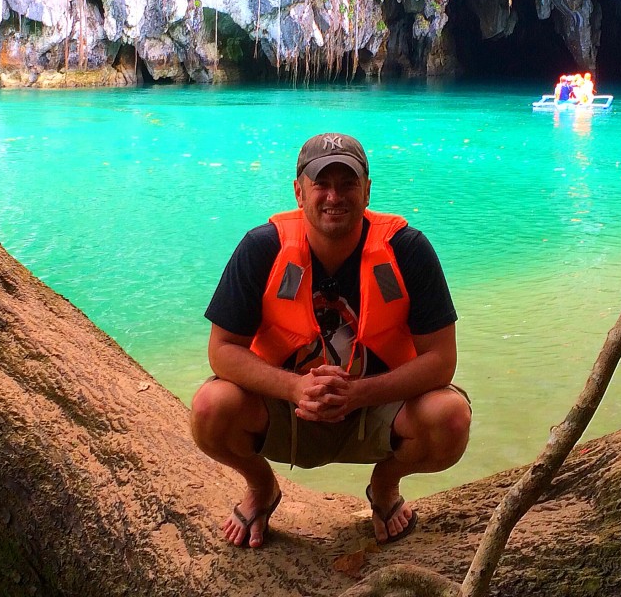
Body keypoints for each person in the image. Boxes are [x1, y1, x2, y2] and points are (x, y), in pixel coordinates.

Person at [190, 133, 471, 549]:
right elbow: (222, 351)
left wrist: (359, 393)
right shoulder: (262, 248)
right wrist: (295, 387)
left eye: (347, 183)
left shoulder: (407, 250)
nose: (334, 196)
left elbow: (441, 361)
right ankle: (261, 486)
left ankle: (385, 483)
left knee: (450, 417)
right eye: (321, 184)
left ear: (368, 190)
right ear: (299, 192)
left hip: (376, 409)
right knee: (210, 409)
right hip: (287, 409)